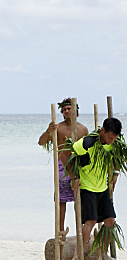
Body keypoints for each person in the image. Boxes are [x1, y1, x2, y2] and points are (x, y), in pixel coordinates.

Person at [59, 117, 123, 260]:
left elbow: (116, 160)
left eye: (114, 139)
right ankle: (77, 257)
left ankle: (103, 255)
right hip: (87, 187)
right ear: (102, 131)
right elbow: (63, 155)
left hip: (102, 188)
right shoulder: (86, 143)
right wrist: (73, 177)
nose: (110, 141)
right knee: (91, 221)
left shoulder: (112, 145)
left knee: (110, 221)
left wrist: (114, 175)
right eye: (109, 137)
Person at [38, 99, 89, 233]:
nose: (67, 111)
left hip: (78, 166)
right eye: (65, 109)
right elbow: (41, 142)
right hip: (62, 167)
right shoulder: (58, 128)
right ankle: (60, 231)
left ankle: (80, 230)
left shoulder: (83, 129)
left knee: (79, 200)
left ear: (76, 111)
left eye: (69, 108)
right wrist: (48, 131)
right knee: (61, 202)